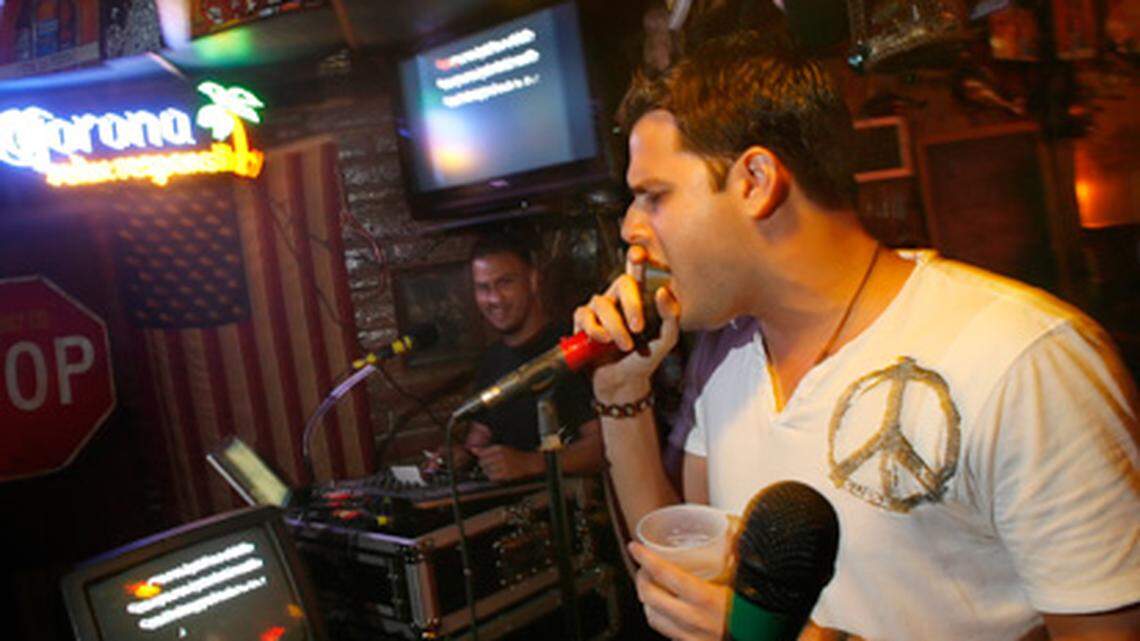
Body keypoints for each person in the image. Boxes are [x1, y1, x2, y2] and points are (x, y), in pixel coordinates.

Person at [573, 29, 1140, 641]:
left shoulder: (1024, 358)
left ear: (755, 181)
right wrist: (621, 393)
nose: (630, 228)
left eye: (652, 196)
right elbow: (682, 563)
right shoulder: (731, 362)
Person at [429, 233, 604, 483]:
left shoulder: (569, 348)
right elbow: (477, 442)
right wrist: (458, 457)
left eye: (505, 283)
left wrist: (530, 463)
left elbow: (603, 447)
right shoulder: (492, 360)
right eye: (483, 288)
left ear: (532, 281)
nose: (494, 299)